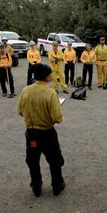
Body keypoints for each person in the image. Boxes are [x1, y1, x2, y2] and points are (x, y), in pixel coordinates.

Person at [18, 63, 65, 197]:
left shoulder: (25, 90)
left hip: (32, 134)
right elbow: (57, 117)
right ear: (46, 77)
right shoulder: (50, 93)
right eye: (50, 74)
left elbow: (20, 111)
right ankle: (57, 185)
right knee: (54, 160)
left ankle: (36, 186)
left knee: (32, 160)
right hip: (47, 133)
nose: (51, 76)